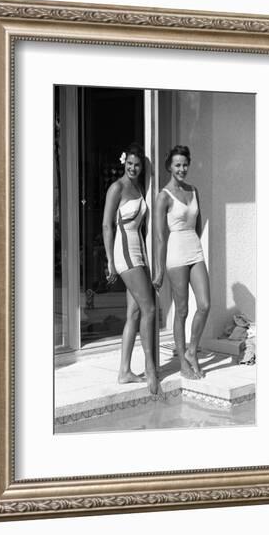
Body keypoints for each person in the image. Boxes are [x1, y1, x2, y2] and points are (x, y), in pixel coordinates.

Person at [102, 143, 158, 394]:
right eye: (130, 164)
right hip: (124, 254)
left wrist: (148, 260)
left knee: (134, 313)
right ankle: (150, 367)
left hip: (139, 253)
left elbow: (142, 229)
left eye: (138, 165)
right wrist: (110, 261)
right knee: (150, 308)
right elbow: (106, 226)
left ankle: (124, 371)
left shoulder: (137, 187)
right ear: (124, 163)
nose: (133, 168)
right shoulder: (117, 188)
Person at [153, 145, 210, 379]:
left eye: (185, 164)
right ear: (169, 166)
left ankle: (191, 351)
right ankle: (183, 364)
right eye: (177, 164)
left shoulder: (194, 190)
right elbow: (159, 237)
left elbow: (198, 224)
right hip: (175, 253)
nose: (182, 168)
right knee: (183, 310)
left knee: (205, 304)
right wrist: (158, 270)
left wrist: (197, 245)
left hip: (194, 250)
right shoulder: (163, 197)